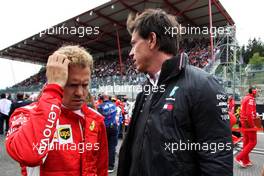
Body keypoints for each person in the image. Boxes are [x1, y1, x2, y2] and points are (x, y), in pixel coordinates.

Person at [118, 9, 233, 176]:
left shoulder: (203, 85)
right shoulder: (146, 90)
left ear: (151, 40)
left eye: (134, 43)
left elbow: (217, 162)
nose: (130, 53)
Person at [5, 45, 108, 176]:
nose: (80, 93)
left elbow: (101, 169)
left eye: (85, 84)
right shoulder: (26, 114)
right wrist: (53, 89)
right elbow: (29, 155)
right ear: (56, 81)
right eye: (72, 85)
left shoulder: (96, 118)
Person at [235, 86, 258, 167]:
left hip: (243, 122)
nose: (257, 92)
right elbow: (249, 114)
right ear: (253, 92)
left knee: (246, 142)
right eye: (256, 91)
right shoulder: (251, 99)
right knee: (253, 142)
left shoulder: (245, 98)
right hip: (248, 123)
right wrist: (253, 126)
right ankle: (239, 157)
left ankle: (245, 161)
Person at [97, 93, 118, 173]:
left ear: (102, 98)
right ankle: (110, 166)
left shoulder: (100, 107)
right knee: (112, 147)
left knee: (103, 146)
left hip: (105, 128)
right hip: (114, 127)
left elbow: (98, 117)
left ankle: (103, 164)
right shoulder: (114, 105)